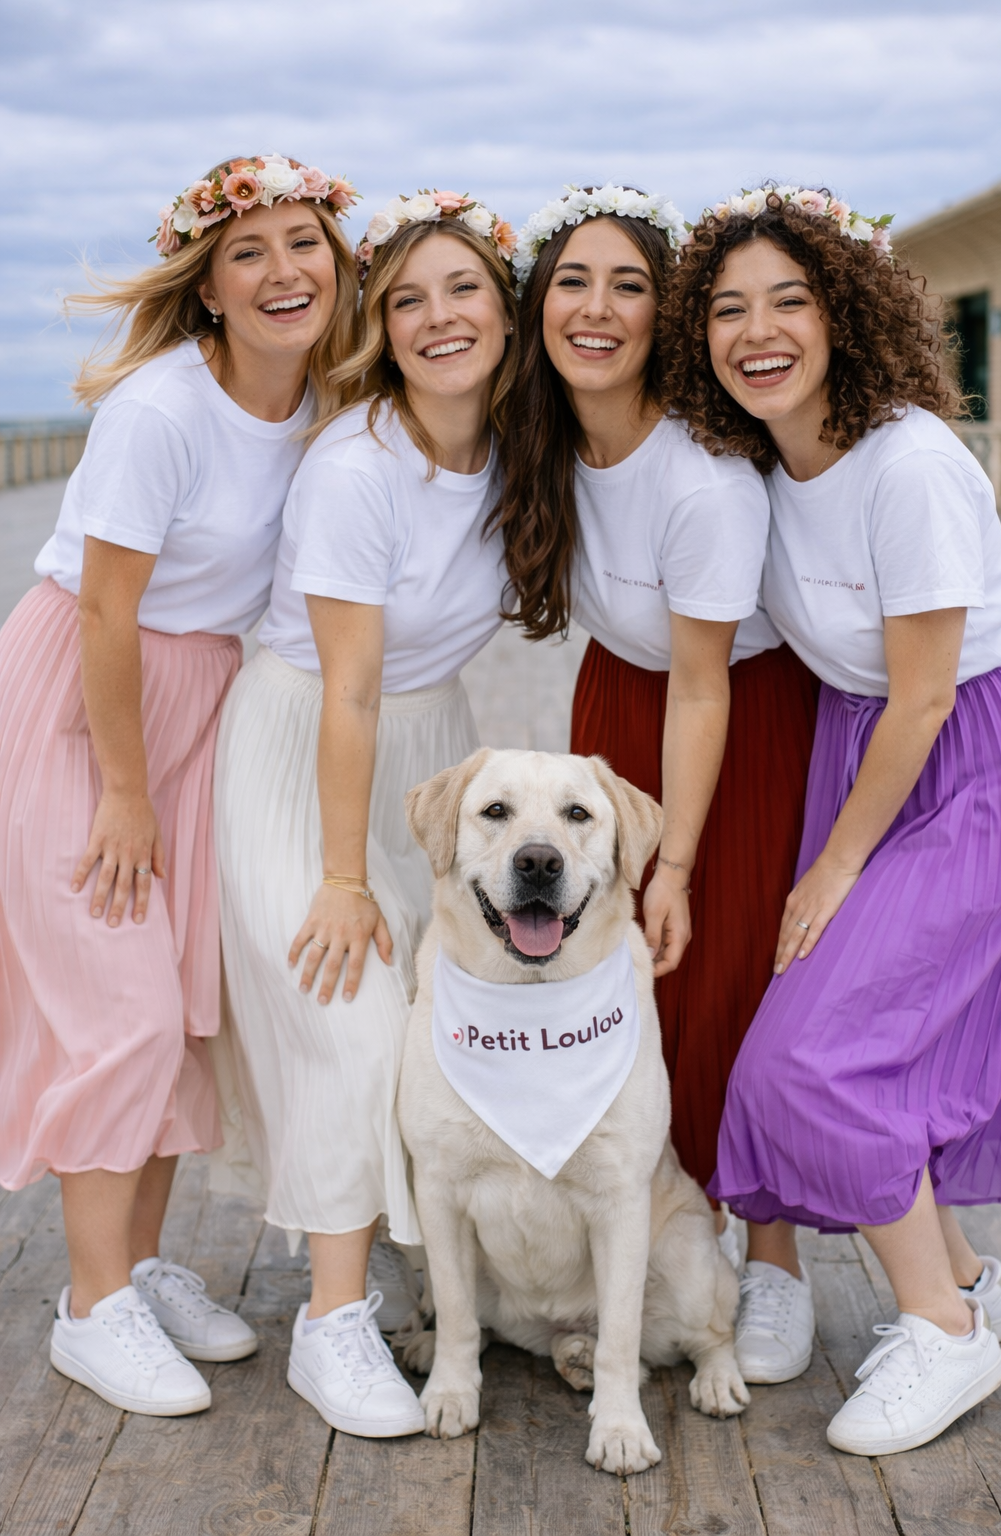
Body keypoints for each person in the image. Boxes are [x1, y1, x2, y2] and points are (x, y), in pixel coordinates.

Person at [664, 183, 1001, 1454]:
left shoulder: (909, 462)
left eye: (788, 302)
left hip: (968, 758)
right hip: (862, 745)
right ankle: (969, 1279)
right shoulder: (762, 464)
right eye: (726, 310)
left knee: (811, 1054)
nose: (756, 331)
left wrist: (831, 869)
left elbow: (927, 697)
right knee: (863, 1035)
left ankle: (941, 1330)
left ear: (846, 316)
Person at [0, 153, 360, 1416]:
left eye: (303, 243)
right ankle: (88, 1310)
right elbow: (104, 608)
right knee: (120, 1010)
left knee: (177, 1005)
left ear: (338, 262)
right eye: (247, 253)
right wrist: (124, 789)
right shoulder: (160, 410)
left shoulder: (327, 399)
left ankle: (136, 1266)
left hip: (207, 701)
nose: (282, 272)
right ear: (205, 287)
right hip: (88, 704)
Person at [213, 189, 518, 1438]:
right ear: (379, 328)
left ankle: (389, 1257)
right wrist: (345, 875)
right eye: (406, 299)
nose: (438, 317)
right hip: (308, 741)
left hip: (431, 733)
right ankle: (329, 1323)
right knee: (346, 1006)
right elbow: (346, 691)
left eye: (463, 291)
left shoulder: (518, 443)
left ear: (506, 310)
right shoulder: (358, 465)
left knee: (425, 1019)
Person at [492, 186, 818, 1297]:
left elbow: (702, 686)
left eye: (628, 285)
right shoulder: (541, 440)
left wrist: (670, 857)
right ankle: (645, 1228)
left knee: (726, 971)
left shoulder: (703, 478)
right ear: (537, 306)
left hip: (734, 710)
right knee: (625, 986)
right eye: (572, 281)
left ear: (662, 315)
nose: (596, 308)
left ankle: (766, 1261)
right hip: (617, 706)